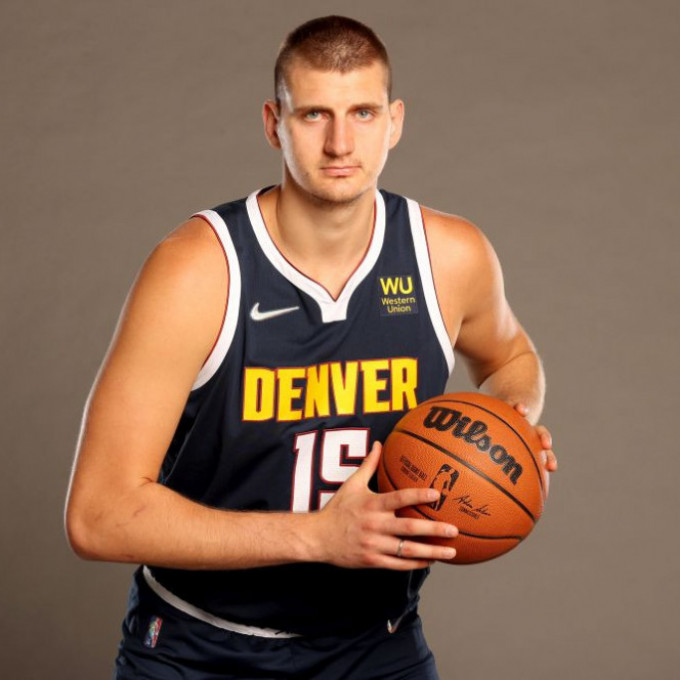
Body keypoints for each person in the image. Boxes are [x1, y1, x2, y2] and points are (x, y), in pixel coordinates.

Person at [65, 15, 557, 680]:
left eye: (363, 113)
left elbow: (511, 359)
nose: (339, 142)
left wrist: (511, 424)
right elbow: (99, 516)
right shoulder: (199, 271)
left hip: (375, 643)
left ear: (395, 122)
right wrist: (319, 536)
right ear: (274, 124)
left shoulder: (448, 256)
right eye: (314, 115)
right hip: (201, 646)